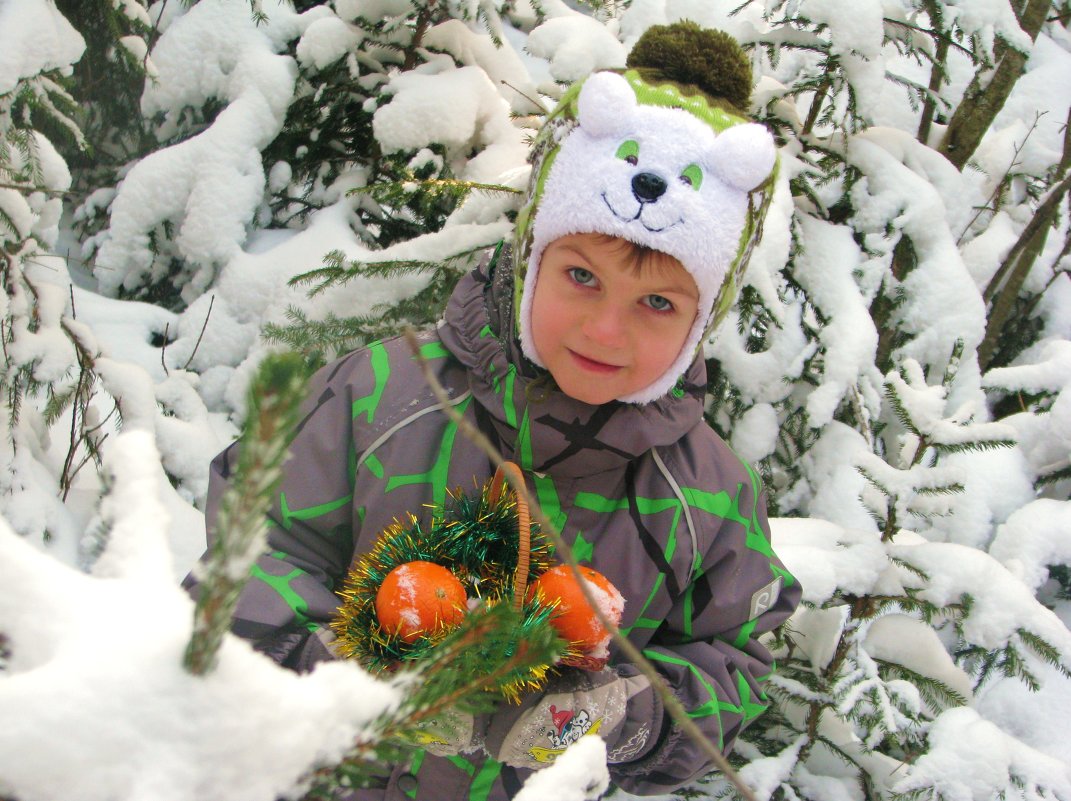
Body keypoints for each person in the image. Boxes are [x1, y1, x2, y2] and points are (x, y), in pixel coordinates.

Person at [185, 22, 801, 801]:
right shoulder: (382, 395)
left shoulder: (708, 494)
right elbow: (254, 541)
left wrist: (627, 717)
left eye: (656, 301)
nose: (605, 330)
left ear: (699, 320)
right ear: (531, 257)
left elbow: (736, 656)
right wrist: (338, 675)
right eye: (580, 275)